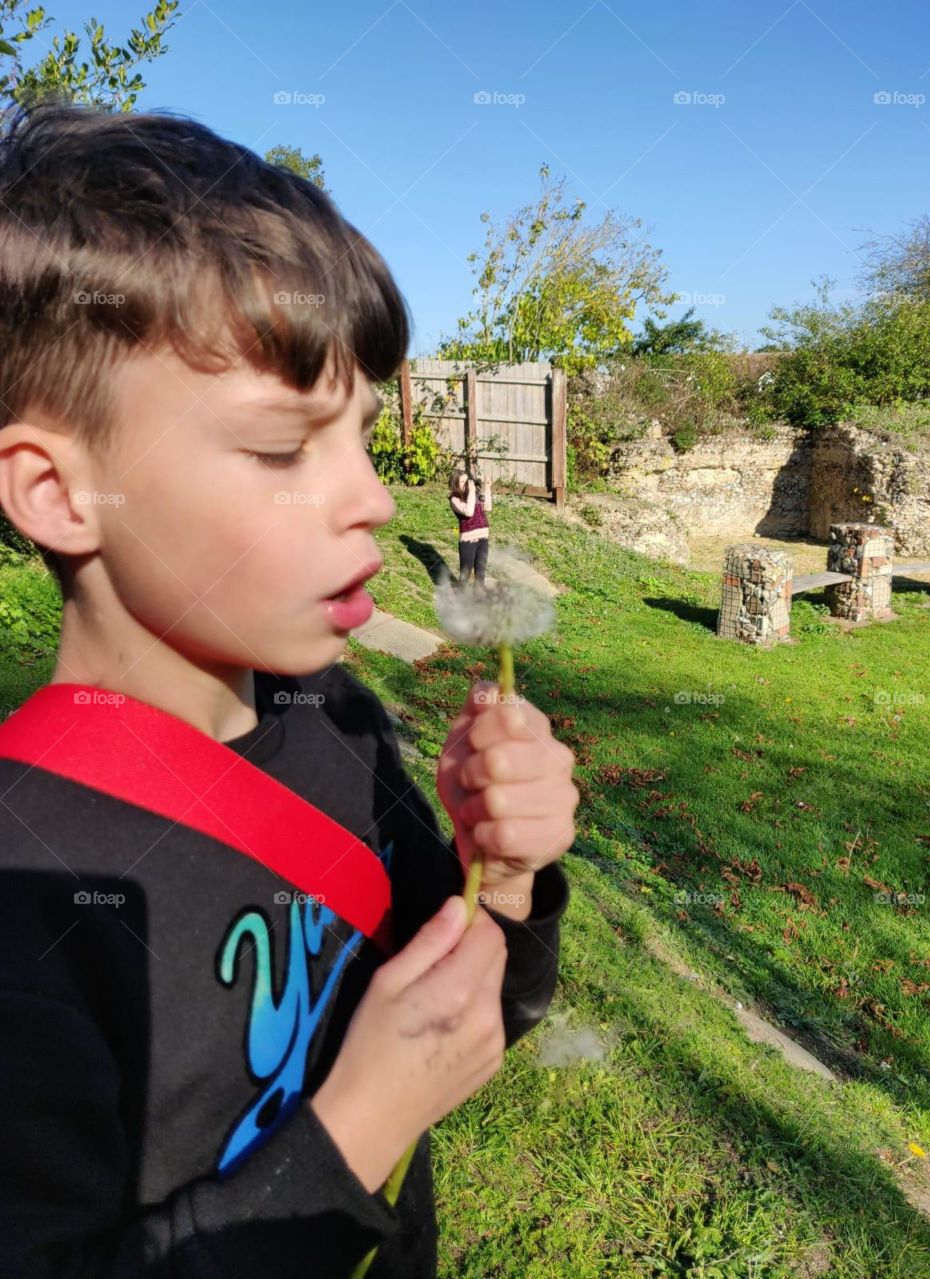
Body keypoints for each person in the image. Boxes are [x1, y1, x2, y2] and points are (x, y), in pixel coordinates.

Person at [0, 100, 578, 1278]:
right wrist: (357, 1128)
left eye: (360, 433)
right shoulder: (30, 893)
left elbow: (466, 1013)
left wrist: (507, 880)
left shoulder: (337, 723)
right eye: (281, 448)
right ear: (60, 494)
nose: (372, 498)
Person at [448, 468, 489, 588]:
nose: (466, 484)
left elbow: (488, 507)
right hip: (468, 542)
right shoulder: (455, 499)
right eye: (462, 482)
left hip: (483, 539)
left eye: (467, 481)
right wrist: (471, 492)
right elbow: (469, 512)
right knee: (465, 577)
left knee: (480, 576)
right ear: (455, 484)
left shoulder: (473, 495)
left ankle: (478, 597)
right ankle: (458, 594)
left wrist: (487, 488)